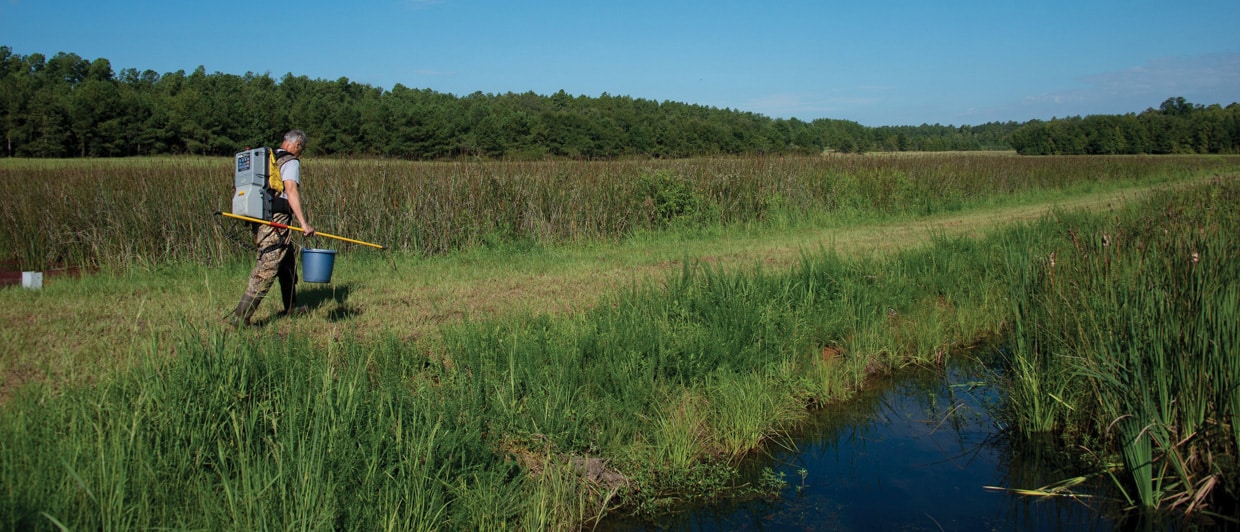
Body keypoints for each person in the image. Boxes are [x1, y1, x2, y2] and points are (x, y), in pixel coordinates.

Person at [228, 129, 316, 327]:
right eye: (302, 149)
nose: (301, 153)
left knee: (287, 263)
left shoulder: (268, 158)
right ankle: (241, 318)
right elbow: (291, 190)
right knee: (268, 265)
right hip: (276, 220)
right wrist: (304, 224)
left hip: (261, 216)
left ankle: (291, 309)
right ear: (296, 145)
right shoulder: (290, 161)